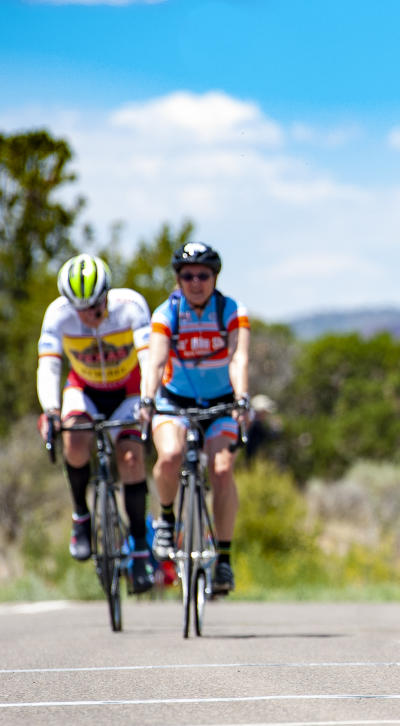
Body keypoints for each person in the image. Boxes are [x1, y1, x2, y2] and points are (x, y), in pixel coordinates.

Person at [36, 254, 157, 593]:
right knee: (73, 441)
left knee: (131, 458)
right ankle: (81, 516)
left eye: (95, 307)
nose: (88, 315)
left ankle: (139, 548)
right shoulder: (58, 315)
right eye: (80, 308)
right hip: (84, 388)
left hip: (129, 390)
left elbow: (149, 360)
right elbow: (49, 367)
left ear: (107, 294)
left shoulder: (131, 306)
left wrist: (149, 400)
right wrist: (52, 410)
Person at [141, 242, 251, 595]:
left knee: (221, 470)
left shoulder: (230, 310)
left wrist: (241, 398)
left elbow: (238, 359)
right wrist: (147, 399)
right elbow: (156, 361)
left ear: (214, 278)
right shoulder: (166, 313)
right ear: (178, 279)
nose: (196, 282)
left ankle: (223, 559)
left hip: (220, 403)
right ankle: (167, 519)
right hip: (174, 400)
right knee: (170, 456)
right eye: (187, 275)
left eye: (203, 275)